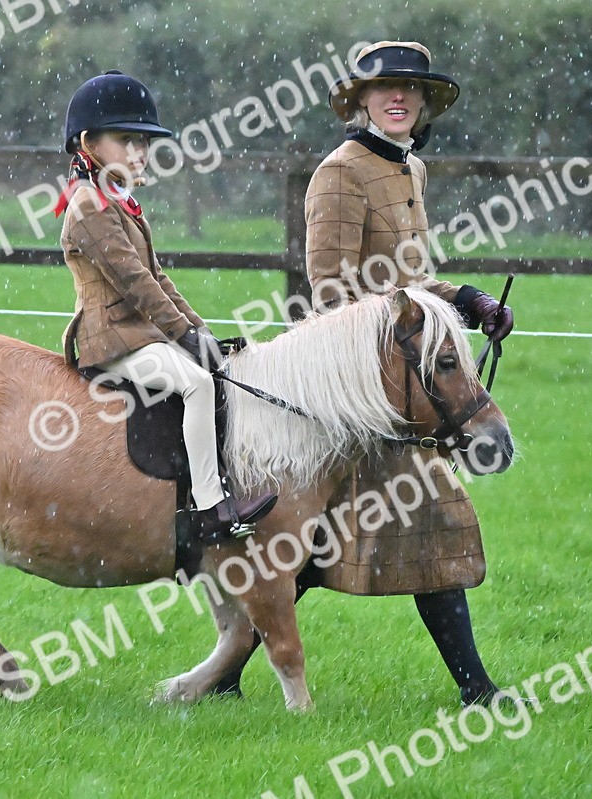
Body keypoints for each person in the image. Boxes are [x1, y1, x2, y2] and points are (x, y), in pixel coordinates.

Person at [305, 41, 516, 705]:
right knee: (431, 520)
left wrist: (469, 301)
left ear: (424, 104)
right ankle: (478, 691)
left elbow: (410, 279)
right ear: (360, 100)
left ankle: (222, 673)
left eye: (411, 90)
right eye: (383, 88)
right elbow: (331, 293)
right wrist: (405, 343)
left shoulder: (412, 170)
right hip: (368, 386)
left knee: (312, 544)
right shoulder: (340, 172)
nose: (398, 98)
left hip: (406, 380)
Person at [56, 70, 277, 538]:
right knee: (197, 382)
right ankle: (210, 507)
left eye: (144, 142)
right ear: (87, 142)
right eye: (126, 140)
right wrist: (183, 336)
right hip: (112, 340)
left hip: (139, 333)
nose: (140, 152)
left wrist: (200, 330)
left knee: (214, 368)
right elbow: (136, 283)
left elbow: (159, 277)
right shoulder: (88, 206)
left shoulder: (118, 201)